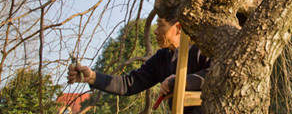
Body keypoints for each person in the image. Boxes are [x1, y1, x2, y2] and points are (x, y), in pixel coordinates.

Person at [67, 16, 209, 114]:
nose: (155, 31)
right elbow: (128, 84)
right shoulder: (161, 58)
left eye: (160, 25)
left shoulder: (203, 49)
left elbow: (217, 74)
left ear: (178, 28)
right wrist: (92, 77)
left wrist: (180, 81)